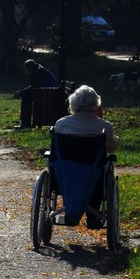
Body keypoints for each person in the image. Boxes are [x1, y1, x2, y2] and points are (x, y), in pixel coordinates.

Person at [54, 85, 120, 228]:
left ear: (73, 103)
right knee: (98, 172)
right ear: (96, 105)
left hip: (65, 174)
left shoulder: (61, 124)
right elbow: (112, 148)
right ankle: (93, 215)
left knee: (70, 172)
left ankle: (70, 212)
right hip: (93, 175)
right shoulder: (104, 127)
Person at [12, 59, 60, 128]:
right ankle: (25, 123)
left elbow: (33, 88)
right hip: (50, 94)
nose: (26, 72)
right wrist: (22, 93)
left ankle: (25, 124)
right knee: (26, 96)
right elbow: (34, 87)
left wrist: (20, 93)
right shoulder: (39, 70)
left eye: (26, 70)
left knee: (26, 98)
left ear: (28, 68)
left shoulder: (38, 73)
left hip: (48, 96)